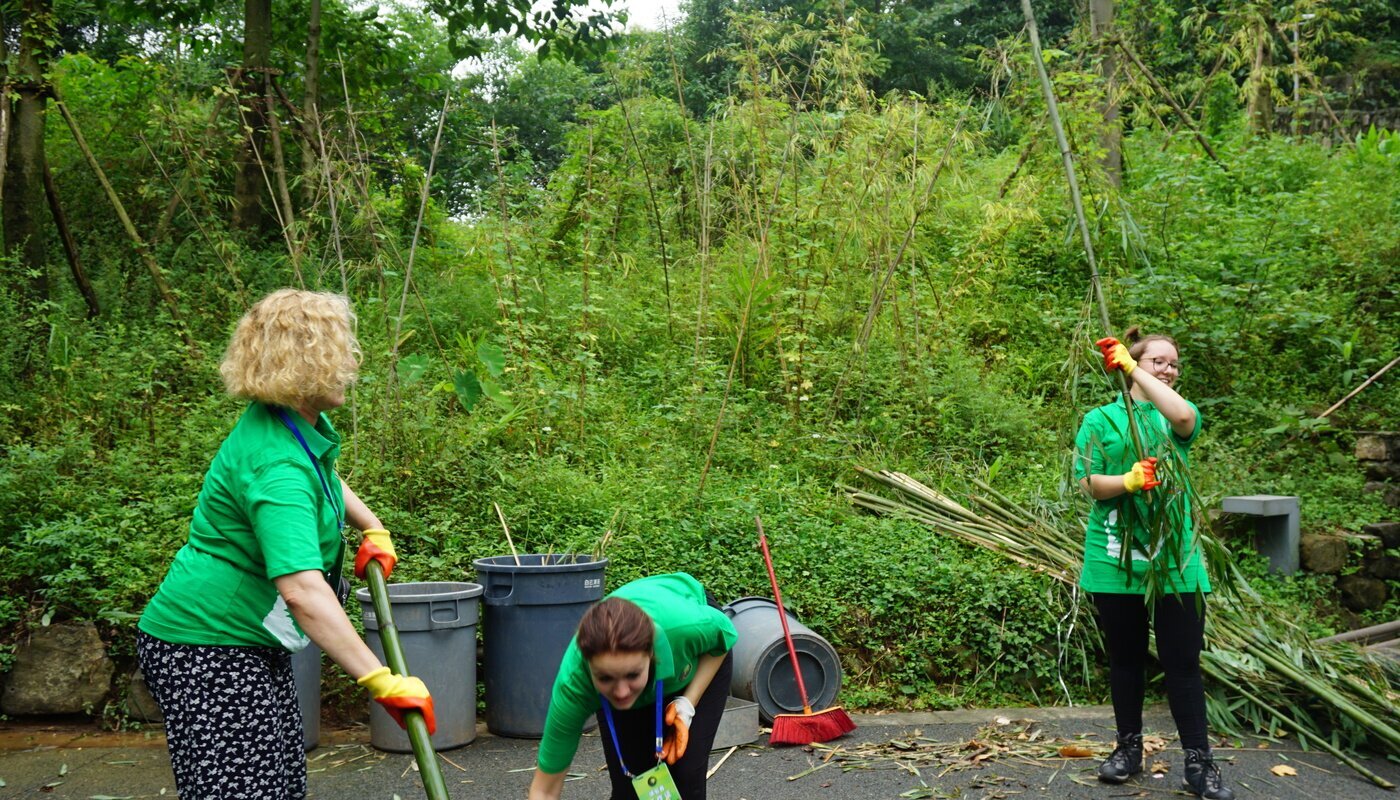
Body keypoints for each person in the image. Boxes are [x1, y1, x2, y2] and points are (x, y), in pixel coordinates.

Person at [137, 289, 433, 800]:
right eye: (340, 354)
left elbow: (324, 475)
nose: (350, 367)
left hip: (247, 640)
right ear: (306, 364)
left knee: (278, 780)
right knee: (245, 791)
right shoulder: (276, 463)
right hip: (208, 649)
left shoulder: (294, 424)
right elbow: (302, 590)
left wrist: (372, 525)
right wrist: (380, 680)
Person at [1074, 328, 1233, 800]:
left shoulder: (1173, 418)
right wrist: (1124, 480)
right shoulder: (1100, 419)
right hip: (1113, 562)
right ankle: (1128, 749)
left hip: (1175, 563)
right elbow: (1086, 482)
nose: (1167, 369)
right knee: (1125, 661)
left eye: (1172, 364)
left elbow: (1183, 415)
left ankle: (1199, 764)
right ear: (1130, 362)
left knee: (1183, 663)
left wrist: (1135, 369)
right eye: (1157, 361)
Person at [528, 573, 737, 800]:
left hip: (696, 652)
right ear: (589, 668)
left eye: (632, 674)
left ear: (651, 654)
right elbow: (544, 790)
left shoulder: (686, 628)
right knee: (631, 785)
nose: (621, 692)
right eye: (606, 678)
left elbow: (724, 636)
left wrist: (688, 703)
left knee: (685, 777)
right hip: (644, 656)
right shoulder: (574, 686)